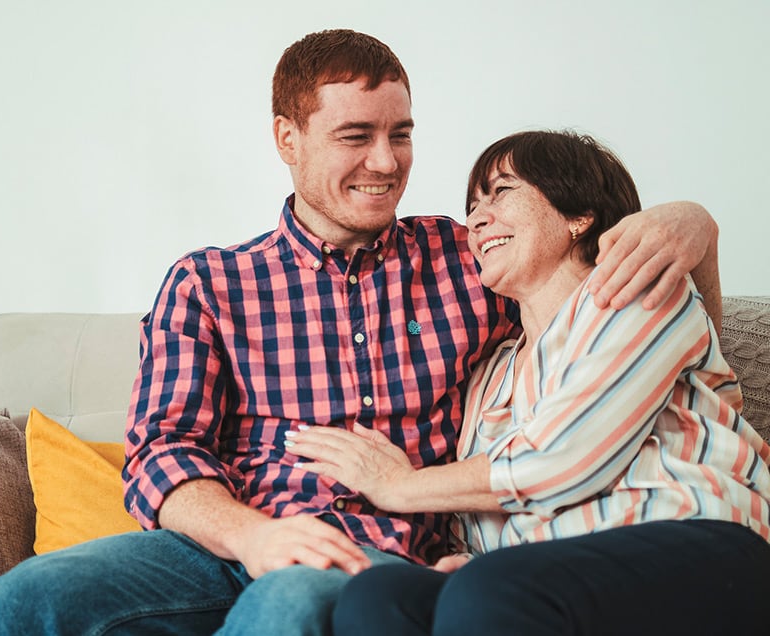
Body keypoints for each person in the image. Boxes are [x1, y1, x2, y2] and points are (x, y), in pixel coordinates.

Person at [0, 31, 720, 636]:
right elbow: (161, 451)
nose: (386, 162)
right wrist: (252, 536)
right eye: (355, 136)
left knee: (289, 604)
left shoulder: (471, 259)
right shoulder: (209, 283)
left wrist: (694, 222)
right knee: (19, 602)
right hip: (223, 542)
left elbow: (604, 302)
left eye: (401, 134)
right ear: (287, 138)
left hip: (377, 559)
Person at [287, 130, 770, 635]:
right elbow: (476, 513)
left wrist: (399, 486)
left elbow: (564, 458)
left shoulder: (638, 292)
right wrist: (462, 555)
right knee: (381, 595)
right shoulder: (490, 372)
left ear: (577, 216)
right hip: (548, 576)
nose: (476, 219)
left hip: (699, 545)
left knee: (490, 588)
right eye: (472, 205)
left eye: (501, 192)